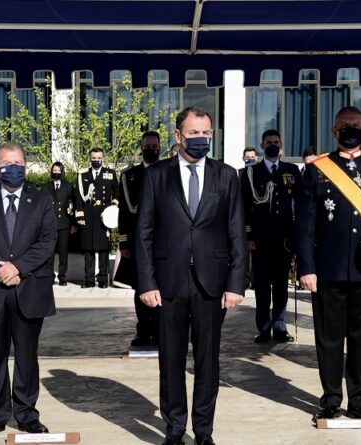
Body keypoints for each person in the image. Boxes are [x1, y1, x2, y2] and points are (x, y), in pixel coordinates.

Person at [135, 106, 247, 445]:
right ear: (178, 135)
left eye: (206, 133)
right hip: (168, 282)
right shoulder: (157, 175)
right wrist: (147, 283)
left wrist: (236, 283)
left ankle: (203, 430)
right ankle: (174, 429)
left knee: (207, 361)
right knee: (170, 360)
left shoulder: (226, 175)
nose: (201, 138)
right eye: (194, 133)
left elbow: (237, 232)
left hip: (212, 283)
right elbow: (143, 232)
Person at [297, 106, 361, 422]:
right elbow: (305, 225)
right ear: (334, 131)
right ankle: (331, 399)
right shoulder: (317, 169)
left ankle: (358, 400)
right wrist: (306, 268)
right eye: (345, 125)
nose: (351, 130)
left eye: (357, 125)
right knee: (329, 339)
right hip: (328, 269)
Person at [0, 142, 57, 439]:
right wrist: (0, 269)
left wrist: (17, 267)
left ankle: (27, 414)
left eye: (18, 163)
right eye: (7, 164)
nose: (13, 168)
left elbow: (47, 242)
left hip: (28, 288)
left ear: (26, 166)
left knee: (27, 356)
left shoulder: (41, 201)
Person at [242, 129, 301, 343]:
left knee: (281, 285)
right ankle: (264, 327)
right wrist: (248, 235)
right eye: (269, 142)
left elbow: (299, 203)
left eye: (276, 142)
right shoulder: (251, 172)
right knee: (262, 285)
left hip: (284, 239)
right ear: (262, 145)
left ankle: (280, 326)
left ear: (281, 145)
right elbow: (244, 206)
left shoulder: (291, 170)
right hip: (260, 239)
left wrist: (297, 234)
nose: (273, 145)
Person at [118, 131, 162, 347]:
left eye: (155, 146)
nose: (151, 149)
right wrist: (124, 242)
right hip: (137, 243)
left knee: (163, 287)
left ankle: (160, 331)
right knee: (141, 287)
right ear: (141, 147)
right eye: (148, 146)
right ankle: (143, 331)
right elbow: (124, 212)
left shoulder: (168, 171)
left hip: (163, 242)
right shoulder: (129, 176)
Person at [74, 148, 119, 288]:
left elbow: (117, 191)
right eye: (93, 158)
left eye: (99, 158)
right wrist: (79, 215)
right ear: (90, 158)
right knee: (88, 249)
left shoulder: (110, 173)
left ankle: (103, 280)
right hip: (87, 215)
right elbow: (78, 196)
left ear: (103, 158)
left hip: (103, 216)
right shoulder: (83, 175)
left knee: (104, 249)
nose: (96, 160)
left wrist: (113, 206)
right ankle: (89, 280)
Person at [42, 162, 75, 286]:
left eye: (58, 170)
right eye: (54, 170)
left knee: (63, 252)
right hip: (49, 224)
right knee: (49, 253)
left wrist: (73, 224)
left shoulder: (68, 187)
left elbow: (73, 205)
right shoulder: (46, 187)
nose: (56, 173)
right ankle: (50, 276)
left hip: (64, 223)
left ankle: (62, 277)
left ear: (62, 171)